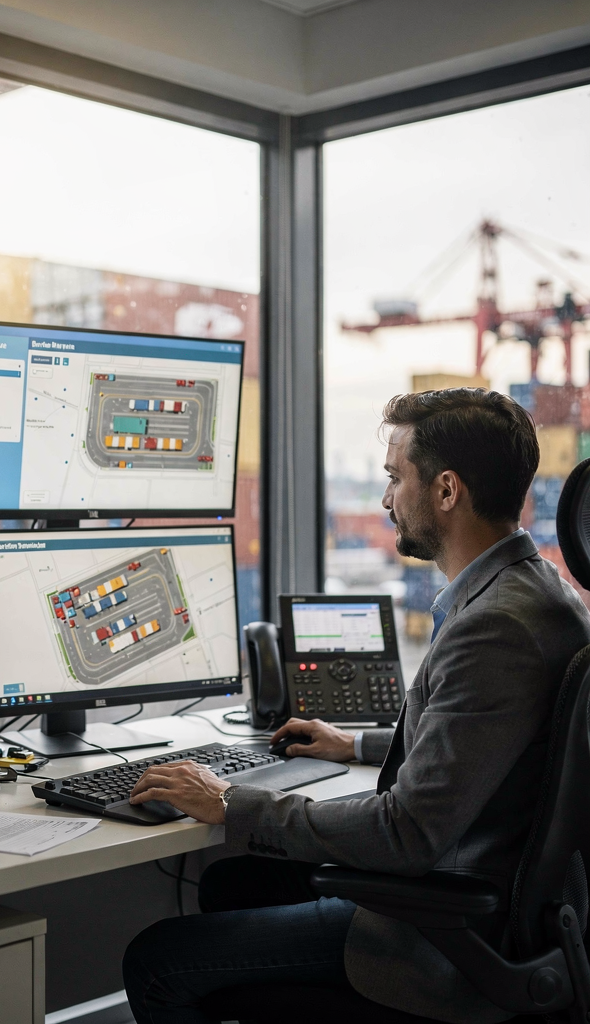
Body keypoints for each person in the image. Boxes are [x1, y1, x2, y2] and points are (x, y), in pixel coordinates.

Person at [122, 388, 590, 1024]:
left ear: (447, 491)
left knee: (156, 961)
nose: (384, 500)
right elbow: (489, 744)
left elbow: (408, 834)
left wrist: (232, 803)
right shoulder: (540, 591)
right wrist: (357, 744)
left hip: (445, 941)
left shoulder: (495, 628)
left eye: (396, 478)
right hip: (494, 891)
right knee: (229, 883)